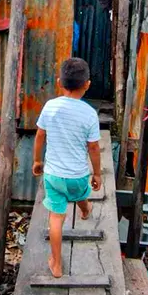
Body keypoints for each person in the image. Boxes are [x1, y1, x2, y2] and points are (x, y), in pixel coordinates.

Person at [32, 57, 102, 278]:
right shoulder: (89, 113)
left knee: (56, 218)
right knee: (81, 194)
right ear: (87, 84)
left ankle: (56, 263)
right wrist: (97, 173)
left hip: (53, 175)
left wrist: (37, 161)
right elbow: (93, 147)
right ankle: (85, 210)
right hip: (78, 175)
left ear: (59, 82)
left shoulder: (50, 106)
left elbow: (40, 135)